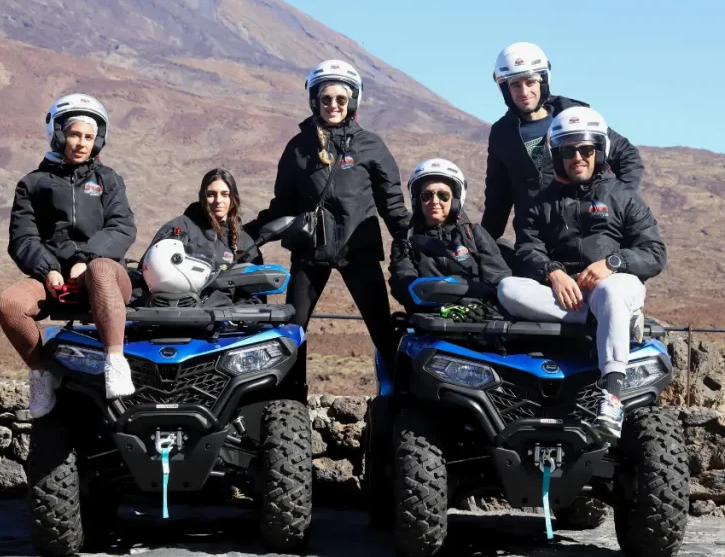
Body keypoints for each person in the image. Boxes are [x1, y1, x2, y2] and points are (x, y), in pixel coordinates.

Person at [497, 106, 666, 439]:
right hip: (568, 297)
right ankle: (613, 319)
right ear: (556, 154)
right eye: (568, 150)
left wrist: (613, 263)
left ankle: (612, 398)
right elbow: (527, 249)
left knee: (610, 292)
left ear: (599, 151)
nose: (577, 157)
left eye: (586, 149)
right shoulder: (539, 203)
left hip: (615, 285)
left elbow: (655, 253)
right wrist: (553, 272)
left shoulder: (624, 197)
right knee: (508, 289)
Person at [243, 59, 412, 365]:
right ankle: (290, 393)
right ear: (314, 101)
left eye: (341, 99)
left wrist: (419, 238)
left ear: (353, 101)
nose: (333, 105)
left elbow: (393, 206)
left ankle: (399, 392)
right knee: (289, 336)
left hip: (359, 252)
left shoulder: (371, 146)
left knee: (383, 334)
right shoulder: (298, 148)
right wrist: (243, 237)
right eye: (326, 99)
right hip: (310, 254)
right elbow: (282, 206)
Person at [0, 93, 138, 419]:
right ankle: (42, 373)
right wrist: (48, 269)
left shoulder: (108, 180)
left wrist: (85, 260)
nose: (81, 143)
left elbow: (122, 227)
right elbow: (23, 238)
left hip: (104, 277)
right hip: (54, 278)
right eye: (75, 134)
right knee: (10, 304)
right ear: (58, 133)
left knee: (101, 269)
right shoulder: (32, 184)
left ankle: (115, 362)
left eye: (89, 137)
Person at [482, 41, 646, 246]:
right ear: (505, 89)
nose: (524, 91)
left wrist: (616, 205)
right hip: (534, 241)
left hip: (587, 236)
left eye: (530, 82)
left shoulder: (575, 116)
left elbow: (628, 157)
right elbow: (498, 198)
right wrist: (482, 245)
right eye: (515, 84)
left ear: (543, 81)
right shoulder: (502, 133)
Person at [389, 158, 510, 312]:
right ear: (417, 200)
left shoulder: (474, 234)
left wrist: (470, 302)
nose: (435, 201)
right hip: (427, 320)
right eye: (426, 195)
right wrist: (443, 298)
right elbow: (403, 283)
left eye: (443, 195)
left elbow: (498, 280)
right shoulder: (405, 240)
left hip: (477, 316)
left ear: (455, 199)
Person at [141, 168, 260, 272]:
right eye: (211, 194)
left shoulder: (244, 242)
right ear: (203, 197)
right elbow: (147, 270)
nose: (218, 200)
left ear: (233, 198)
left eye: (225, 194)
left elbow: (256, 285)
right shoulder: (180, 229)